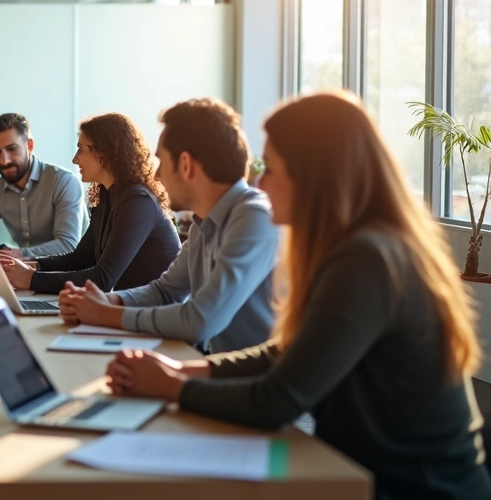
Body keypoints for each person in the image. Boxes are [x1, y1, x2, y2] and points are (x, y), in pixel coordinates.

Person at [105, 92, 491, 499]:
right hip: (359, 474)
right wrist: (178, 371)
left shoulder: (368, 259)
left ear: (314, 175)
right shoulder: (352, 248)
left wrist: (169, 386)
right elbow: (284, 352)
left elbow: (277, 399)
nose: (260, 183)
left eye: (270, 168)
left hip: (412, 489)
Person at [58, 99, 278, 354]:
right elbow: (165, 292)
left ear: (185, 164)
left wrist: (105, 314)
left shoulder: (255, 218)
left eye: (161, 162)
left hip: (244, 380)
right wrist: (105, 300)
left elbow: (200, 320)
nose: (156, 175)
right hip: (207, 362)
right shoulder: (203, 224)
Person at [0, 113, 181, 295]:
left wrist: (31, 278)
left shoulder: (138, 202)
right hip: (128, 308)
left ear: (105, 153)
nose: (75, 159)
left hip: (155, 315)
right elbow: (81, 258)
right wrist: (31, 266)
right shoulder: (106, 196)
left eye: (81, 149)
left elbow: (103, 279)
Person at [0, 113, 84, 259]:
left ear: (29, 145)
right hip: (25, 273)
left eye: (12, 149)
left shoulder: (62, 182)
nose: (4, 161)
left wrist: (20, 254)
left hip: (69, 275)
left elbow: (68, 245)